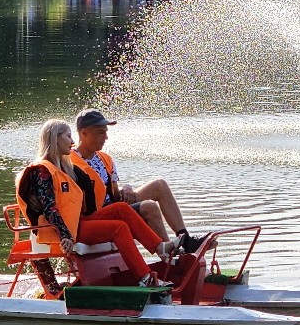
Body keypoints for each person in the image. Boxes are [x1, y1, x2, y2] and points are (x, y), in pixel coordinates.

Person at [16, 119, 180, 289]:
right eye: (68, 136)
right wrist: (65, 235)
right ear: (55, 138)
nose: (72, 142)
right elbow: (50, 208)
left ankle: (160, 247)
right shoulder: (41, 171)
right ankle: (145, 277)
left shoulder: (64, 167)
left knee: (121, 209)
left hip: (76, 223)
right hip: (62, 232)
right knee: (119, 228)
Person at [70, 109, 206, 252]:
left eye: (106, 132)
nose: (106, 137)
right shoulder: (69, 161)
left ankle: (185, 240)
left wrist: (127, 188)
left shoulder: (104, 158)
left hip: (114, 206)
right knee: (149, 207)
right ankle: (169, 255)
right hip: (95, 216)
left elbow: (114, 195)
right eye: (101, 132)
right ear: (84, 133)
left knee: (159, 185)